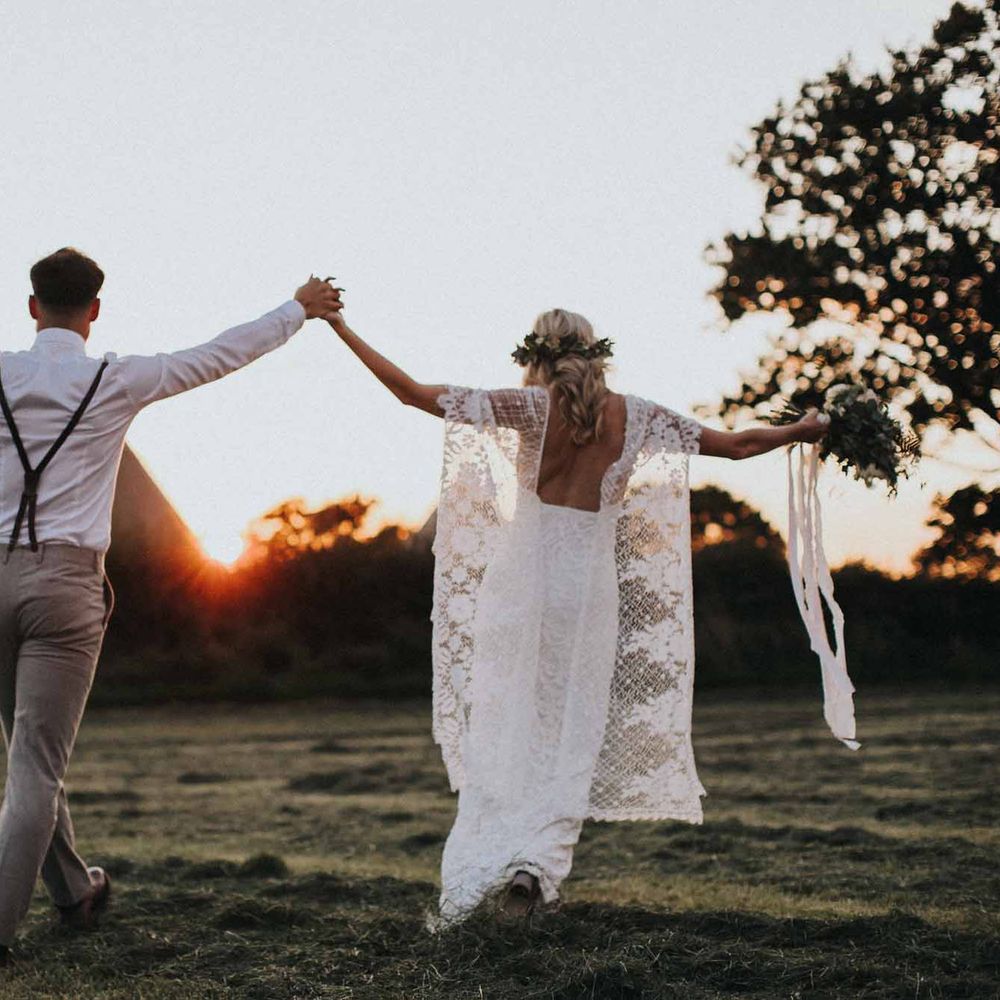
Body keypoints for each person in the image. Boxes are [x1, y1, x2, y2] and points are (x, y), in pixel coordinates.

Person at [325, 301, 827, 922]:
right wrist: (801, 430)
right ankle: (535, 866)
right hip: (585, 592)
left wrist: (341, 327)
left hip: (518, 585)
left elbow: (411, 393)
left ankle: (483, 874)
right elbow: (739, 444)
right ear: (595, 351)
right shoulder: (638, 416)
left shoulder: (526, 409)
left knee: (506, 728)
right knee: (573, 730)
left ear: (535, 352)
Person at [0, 248, 342, 961]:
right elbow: (217, 355)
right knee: (35, 764)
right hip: (64, 586)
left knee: (27, 749)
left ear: (32, 307)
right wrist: (298, 309)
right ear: (94, 311)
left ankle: (74, 892)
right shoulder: (115, 377)